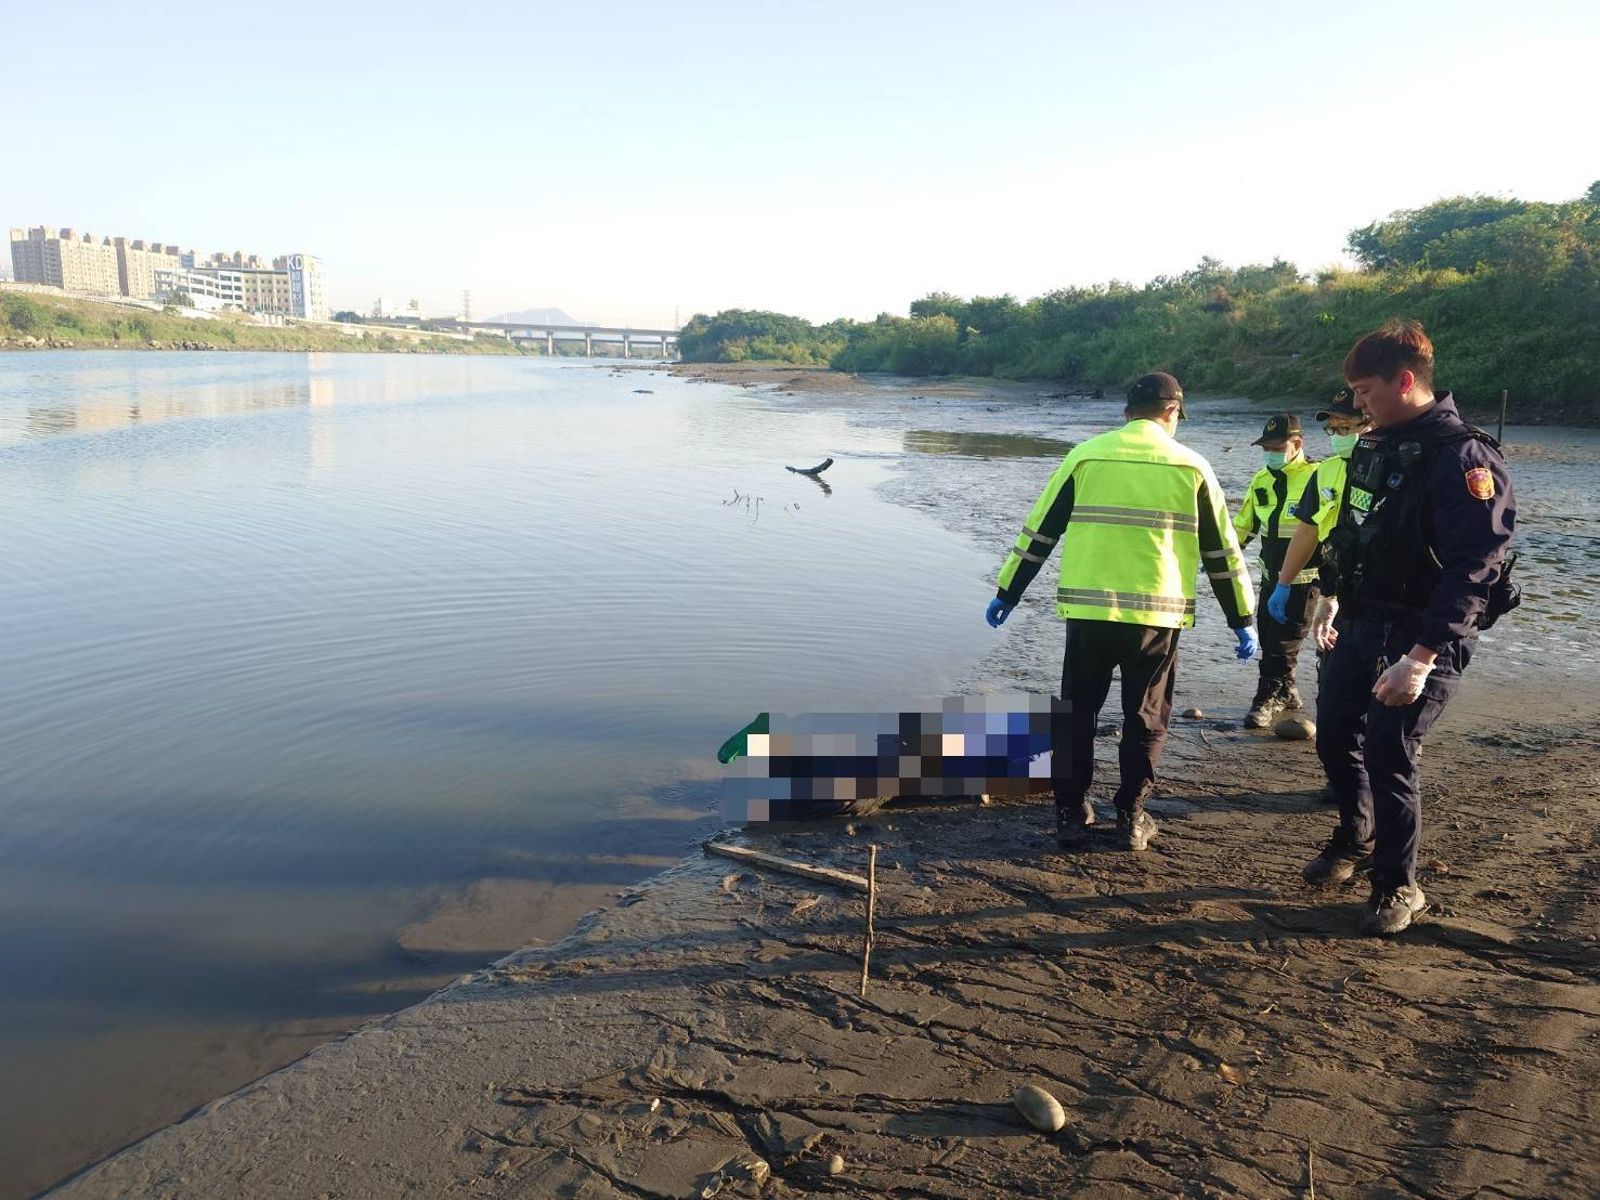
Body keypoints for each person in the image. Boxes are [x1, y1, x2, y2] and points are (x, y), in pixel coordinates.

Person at [1295, 320, 1515, 935]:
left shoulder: (1465, 459)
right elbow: (1353, 530)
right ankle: (1356, 835)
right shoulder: (1376, 445)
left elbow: (1477, 567)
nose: (1357, 404)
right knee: (1335, 731)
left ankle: (1398, 884)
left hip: (1426, 631)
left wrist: (1419, 658)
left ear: (1406, 381)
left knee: (1391, 749)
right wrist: (1331, 597)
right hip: (1364, 617)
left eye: (1364, 391)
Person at [985, 372, 1258, 852]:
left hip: (1089, 615)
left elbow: (1039, 534)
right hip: (1157, 618)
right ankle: (1130, 818)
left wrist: (1009, 590)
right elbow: (1223, 552)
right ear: (1173, 412)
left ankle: (1071, 814)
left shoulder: (1085, 456)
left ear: (1125, 411)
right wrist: (1242, 619)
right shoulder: (1192, 466)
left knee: (1078, 713)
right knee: (1146, 717)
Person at [1266, 390, 1371, 654]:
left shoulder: (1393, 467)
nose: (1337, 436)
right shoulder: (1327, 470)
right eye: (1332, 429)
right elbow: (1308, 530)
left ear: (1371, 422)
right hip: (1341, 589)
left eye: (1345, 428)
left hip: (1383, 596)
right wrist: (1284, 583)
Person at [1233, 413, 1320, 728]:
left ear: (1297, 443)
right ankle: (1289, 688)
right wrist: (1220, 555)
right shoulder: (1261, 480)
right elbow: (1244, 525)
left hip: (1306, 580)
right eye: (1265, 447)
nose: (1269, 453)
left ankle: (1268, 697)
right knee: (1270, 635)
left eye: (1275, 446)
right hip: (1271, 577)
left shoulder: (1317, 476)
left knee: (1283, 642)